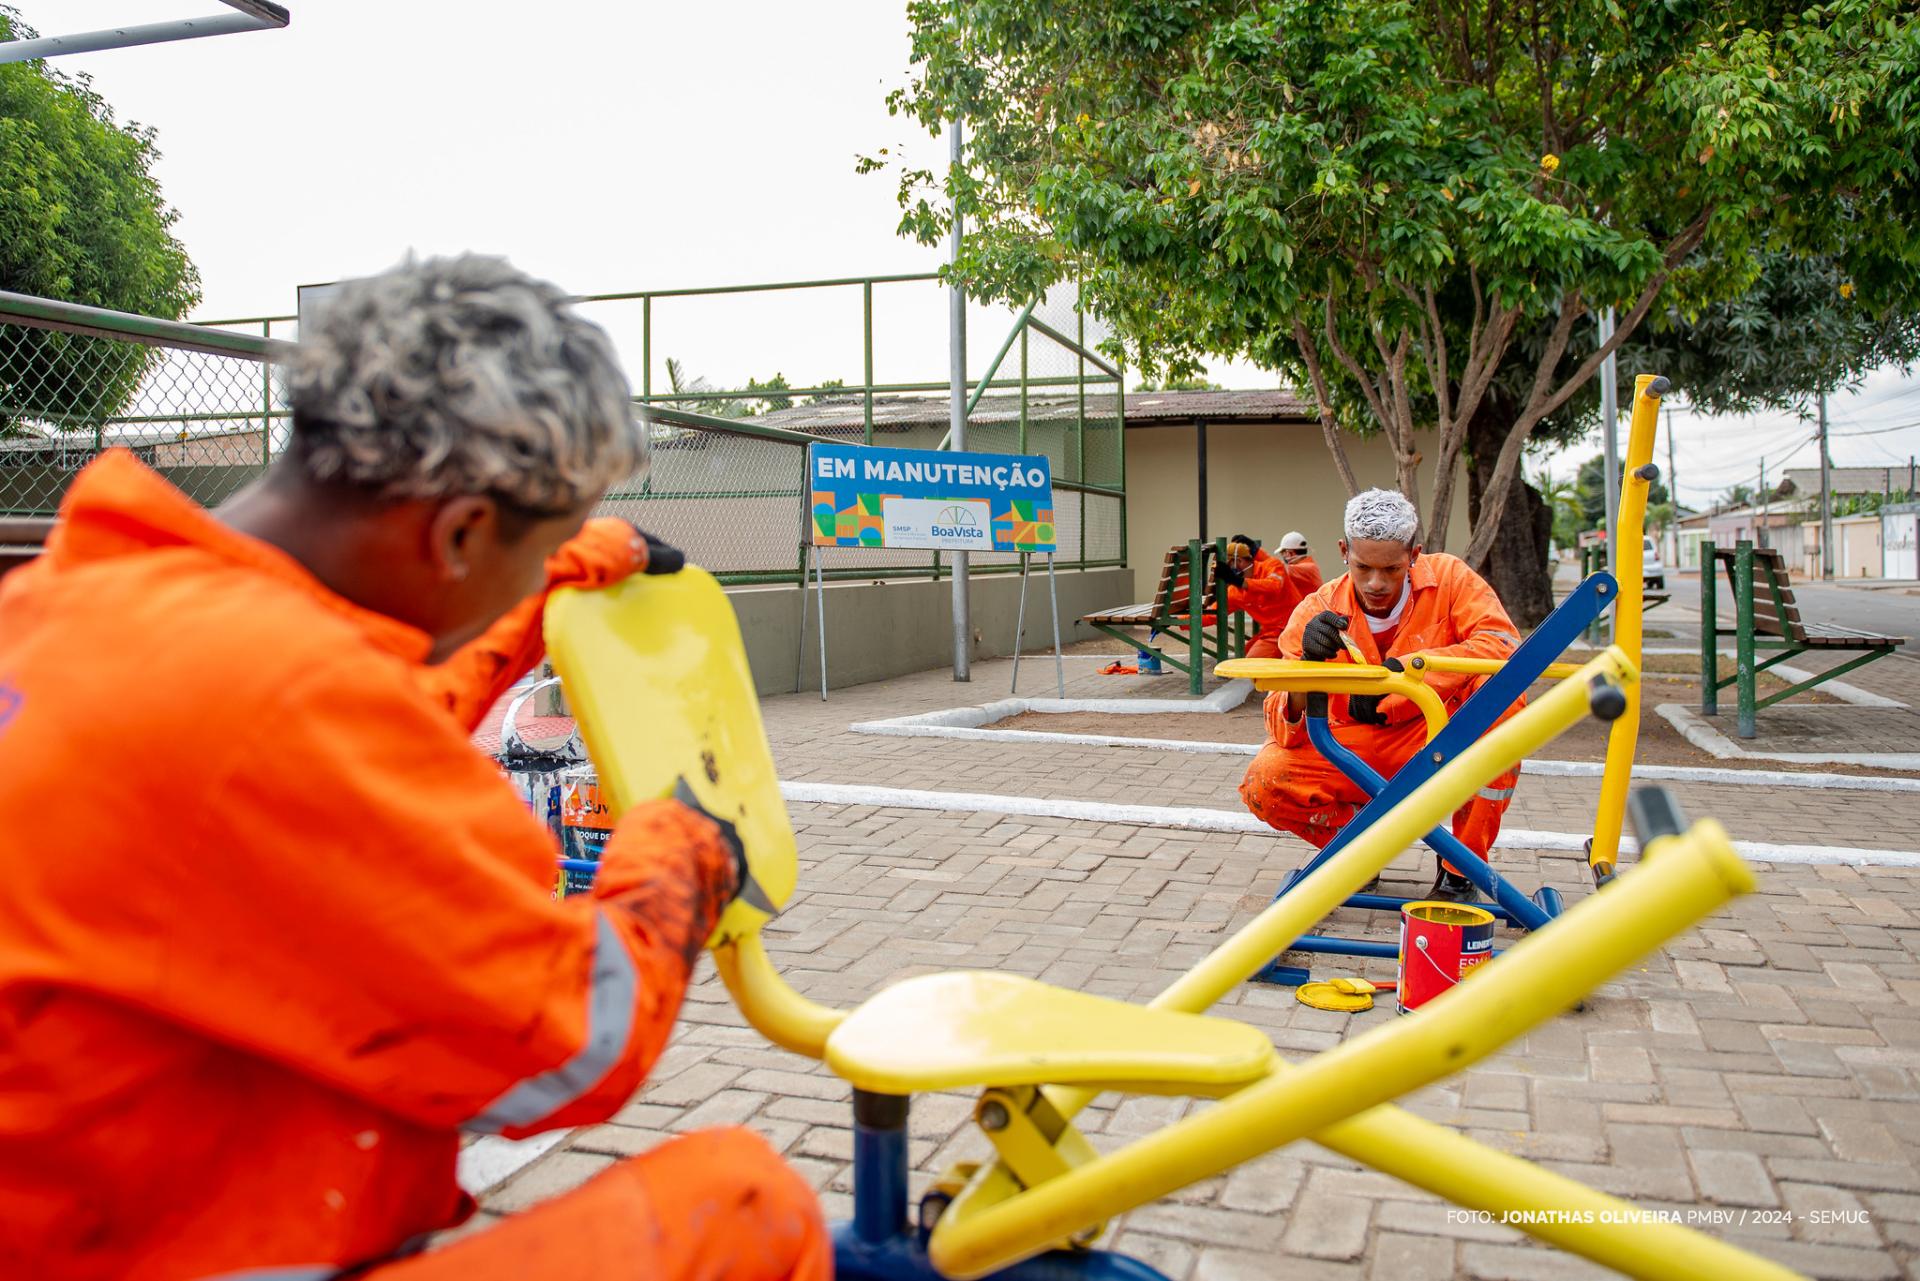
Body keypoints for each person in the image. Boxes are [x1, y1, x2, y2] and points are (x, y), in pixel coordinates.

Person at [0, 256, 830, 1281]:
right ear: (462, 532)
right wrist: (685, 845)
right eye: (533, 550)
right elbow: (567, 1042)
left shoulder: (74, 606)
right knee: (744, 1207)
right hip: (178, 1249)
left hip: (83, 1201)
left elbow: (355, 710)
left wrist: (554, 574)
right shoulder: (288, 709)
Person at [1237, 489, 1523, 901]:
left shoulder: (1451, 580)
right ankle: (1356, 850)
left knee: (1505, 701)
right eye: (1363, 567)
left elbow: (1503, 646)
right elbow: (1285, 730)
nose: (1376, 583)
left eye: (1391, 569)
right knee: (1265, 781)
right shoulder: (1315, 609)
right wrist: (1306, 671)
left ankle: (1460, 871)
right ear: (1343, 551)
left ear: (1414, 554)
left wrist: (1409, 674)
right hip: (1347, 748)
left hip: (1432, 737)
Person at [1215, 530, 1322, 659]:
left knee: (1254, 660)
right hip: (1296, 624)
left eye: (1283, 553)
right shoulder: (1308, 567)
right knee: (1248, 652)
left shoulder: (1306, 569)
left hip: (1297, 626)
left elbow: (1277, 571)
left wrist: (1256, 552)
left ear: (1289, 553)